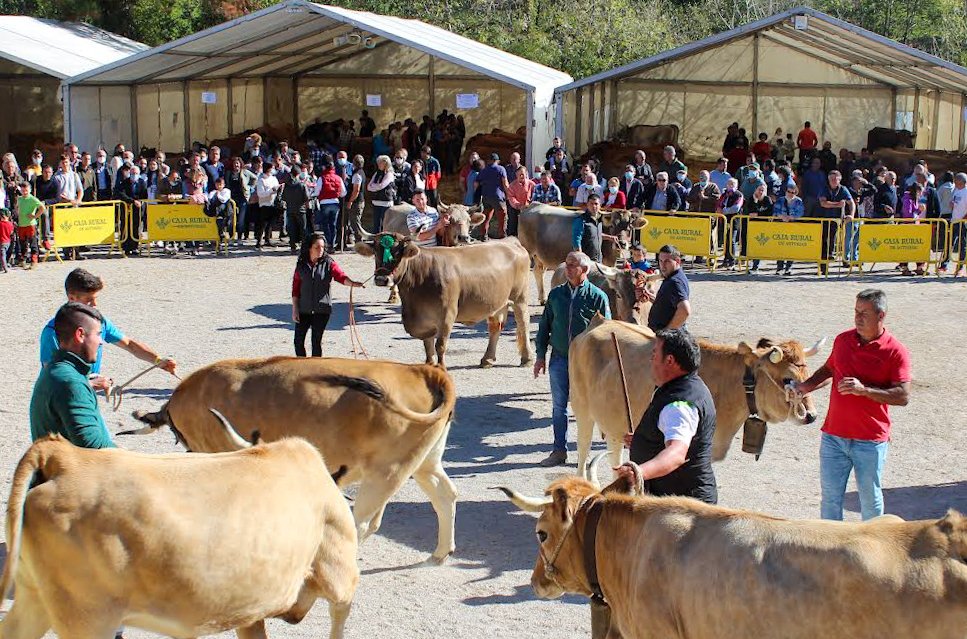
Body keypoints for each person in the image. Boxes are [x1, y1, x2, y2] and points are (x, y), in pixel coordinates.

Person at [792, 289, 910, 520]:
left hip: (870, 440)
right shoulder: (843, 340)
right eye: (856, 311)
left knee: (869, 499)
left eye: (864, 313)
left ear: (881, 315)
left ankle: (874, 552)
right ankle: (831, 553)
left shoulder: (896, 351)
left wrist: (863, 390)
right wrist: (805, 387)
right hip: (833, 437)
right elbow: (829, 369)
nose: (858, 318)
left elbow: (903, 396)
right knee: (830, 499)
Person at [615, 328, 717, 504]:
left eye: (655, 353)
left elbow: (676, 453)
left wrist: (640, 472)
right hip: (681, 502)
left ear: (669, 360)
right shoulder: (690, 386)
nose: (651, 359)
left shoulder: (679, 404)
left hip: (683, 509)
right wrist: (646, 441)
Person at [534, 251, 611, 467]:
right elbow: (544, 326)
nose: (567, 269)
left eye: (572, 266)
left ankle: (584, 454)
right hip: (559, 358)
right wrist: (540, 355)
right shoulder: (556, 295)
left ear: (584, 270)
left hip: (587, 363)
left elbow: (606, 333)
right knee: (559, 407)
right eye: (566, 265)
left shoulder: (598, 297)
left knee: (588, 406)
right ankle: (559, 450)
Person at [39, 268, 177, 388]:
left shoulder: (99, 323)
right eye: (89, 300)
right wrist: (91, 384)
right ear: (72, 298)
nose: (95, 304)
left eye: (96, 298)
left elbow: (129, 345)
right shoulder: (52, 332)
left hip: (86, 393)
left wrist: (158, 361)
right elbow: (52, 375)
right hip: (59, 401)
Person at [30, 302, 116, 448]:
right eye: (98, 334)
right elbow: (92, 447)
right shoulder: (71, 382)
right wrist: (130, 458)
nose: (101, 342)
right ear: (80, 335)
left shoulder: (54, 371)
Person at [291, 232, 364, 358]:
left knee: (316, 342)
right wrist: (295, 309)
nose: (321, 250)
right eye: (317, 247)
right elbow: (296, 289)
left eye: (323, 247)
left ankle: (316, 369)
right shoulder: (301, 265)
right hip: (303, 309)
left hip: (322, 310)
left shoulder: (329, 263)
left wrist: (352, 283)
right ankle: (302, 366)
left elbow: (340, 276)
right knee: (298, 341)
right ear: (309, 248)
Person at [638, 244, 690, 331]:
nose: (662, 266)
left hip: (668, 338)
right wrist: (649, 296)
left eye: (667, 261)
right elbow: (668, 304)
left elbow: (685, 310)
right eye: (661, 261)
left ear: (677, 261)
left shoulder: (675, 282)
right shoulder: (672, 276)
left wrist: (667, 333)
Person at [818, 170, 855, 275]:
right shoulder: (824, 189)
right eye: (832, 179)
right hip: (824, 219)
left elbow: (851, 202)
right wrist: (838, 204)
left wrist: (851, 215)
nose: (834, 181)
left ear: (840, 179)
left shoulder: (843, 189)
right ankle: (823, 266)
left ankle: (834, 258)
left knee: (834, 241)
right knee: (824, 242)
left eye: (836, 179)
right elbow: (823, 203)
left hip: (837, 220)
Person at [475, 153, 510, 241]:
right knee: (502, 216)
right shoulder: (501, 169)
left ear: (489, 160)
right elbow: (505, 183)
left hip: (486, 196)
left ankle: (483, 235)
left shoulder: (484, 170)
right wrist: (509, 195)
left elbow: (476, 183)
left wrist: (477, 194)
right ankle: (502, 236)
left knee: (486, 217)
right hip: (498, 196)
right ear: (497, 161)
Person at [313, 157, 346, 249]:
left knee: (325, 224)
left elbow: (317, 192)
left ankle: (328, 242)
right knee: (333, 224)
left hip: (324, 203)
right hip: (335, 203)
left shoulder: (321, 178)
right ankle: (332, 242)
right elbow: (344, 193)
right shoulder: (338, 178)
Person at [773, 184, 805, 275]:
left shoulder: (799, 201)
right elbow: (775, 211)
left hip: (793, 226)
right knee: (780, 246)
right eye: (789, 192)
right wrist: (782, 217)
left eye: (793, 192)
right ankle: (779, 267)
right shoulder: (780, 200)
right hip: (781, 226)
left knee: (791, 247)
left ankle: (788, 267)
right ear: (786, 191)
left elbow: (800, 213)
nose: (790, 194)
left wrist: (791, 217)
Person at [742, 182, 773, 272]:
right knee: (753, 246)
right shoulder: (751, 199)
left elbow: (769, 213)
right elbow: (748, 212)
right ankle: (754, 265)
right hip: (752, 226)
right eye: (759, 189)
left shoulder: (767, 200)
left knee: (761, 246)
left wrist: (758, 214)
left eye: (763, 190)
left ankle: (757, 264)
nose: (761, 192)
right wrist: (755, 202)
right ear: (755, 190)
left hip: (763, 226)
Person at [280, 166, 311, 252]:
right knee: (303, 228)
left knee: (292, 228)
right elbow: (307, 198)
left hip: (290, 209)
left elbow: (284, 198)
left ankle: (292, 245)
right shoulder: (302, 185)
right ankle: (304, 246)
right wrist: (309, 209)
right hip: (301, 210)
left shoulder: (287, 186)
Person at [716, 178, 744, 269]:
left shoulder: (739, 195)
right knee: (725, 241)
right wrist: (718, 210)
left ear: (736, 185)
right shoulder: (724, 194)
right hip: (724, 221)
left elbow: (736, 208)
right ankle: (725, 260)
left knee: (732, 240)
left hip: (734, 221)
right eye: (729, 184)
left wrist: (723, 211)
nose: (730, 185)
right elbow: (719, 204)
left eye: (732, 184)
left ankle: (732, 261)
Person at [15, 181, 43, 267]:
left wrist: (35, 216)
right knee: (22, 243)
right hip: (21, 224)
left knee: (33, 243)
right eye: (23, 191)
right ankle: (23, 260)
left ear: (30, 190)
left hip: (30, 224)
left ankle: (34, 260)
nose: (25, 192)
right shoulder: (19, 199)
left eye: (26, 190)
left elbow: (42, 208)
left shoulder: (33, 199)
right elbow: (17, 207)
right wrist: (17, 214)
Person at [572, 193, 605, 262]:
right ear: (587, 205)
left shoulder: (599, 220)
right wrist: (580, 259)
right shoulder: (581, 220)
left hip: (598, 260)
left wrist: (610, 237)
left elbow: (595, 235)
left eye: (596, 204)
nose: (594, 206)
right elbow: (576, 241)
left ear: (600, 205)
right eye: (591, 204)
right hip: (586, 262)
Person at [254, 163, 281, 250]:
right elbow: (260, 194)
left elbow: (277, 188)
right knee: (263, 224)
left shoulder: (274, 178)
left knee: (270, 223)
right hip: (264, 204)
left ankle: (267, 239)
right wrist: (271, 191)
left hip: (273, 203)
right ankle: (258, 241)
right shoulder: (261, 180)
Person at [367, 155, 396, 233]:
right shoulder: (377, 173)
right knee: (376, 224)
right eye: (378, 163)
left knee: (385, 224)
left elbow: (381, 186)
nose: (379, 164)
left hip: (386, 203)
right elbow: (368, 187)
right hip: (376, 201)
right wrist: (375, 186)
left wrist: (374, 186)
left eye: (381, 163)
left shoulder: (389, 174)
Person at [344, 154, 366, 246]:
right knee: (353, 222)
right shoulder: (360, 172)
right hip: (358, 201)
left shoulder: (357, 175)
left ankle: (359, 241)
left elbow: (356, 190)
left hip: (356, 202)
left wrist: (350, 201)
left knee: (355, 223)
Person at [948, 172, 967, 275]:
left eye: (957, 182)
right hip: (953, 220)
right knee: (949, 243)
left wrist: (963, 219)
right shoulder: (956, 190)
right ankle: (944, 264)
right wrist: (951, 205)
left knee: (962, 245)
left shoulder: (966, 192)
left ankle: (959, 266)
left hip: (962, 222)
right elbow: (954, 203)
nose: (955, 183)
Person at [506, 166, 533, 236]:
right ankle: (512, 236)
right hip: (516, 208)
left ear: (526, 174)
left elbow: (535, 196)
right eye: (519, 174)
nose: (521, 176)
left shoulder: (532, 184)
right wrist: (519, 206)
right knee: (513, 221)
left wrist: (529, 205)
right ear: (516, 175)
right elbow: (511, 198)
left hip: (529, 207)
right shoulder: (512, 185)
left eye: (523, 174)